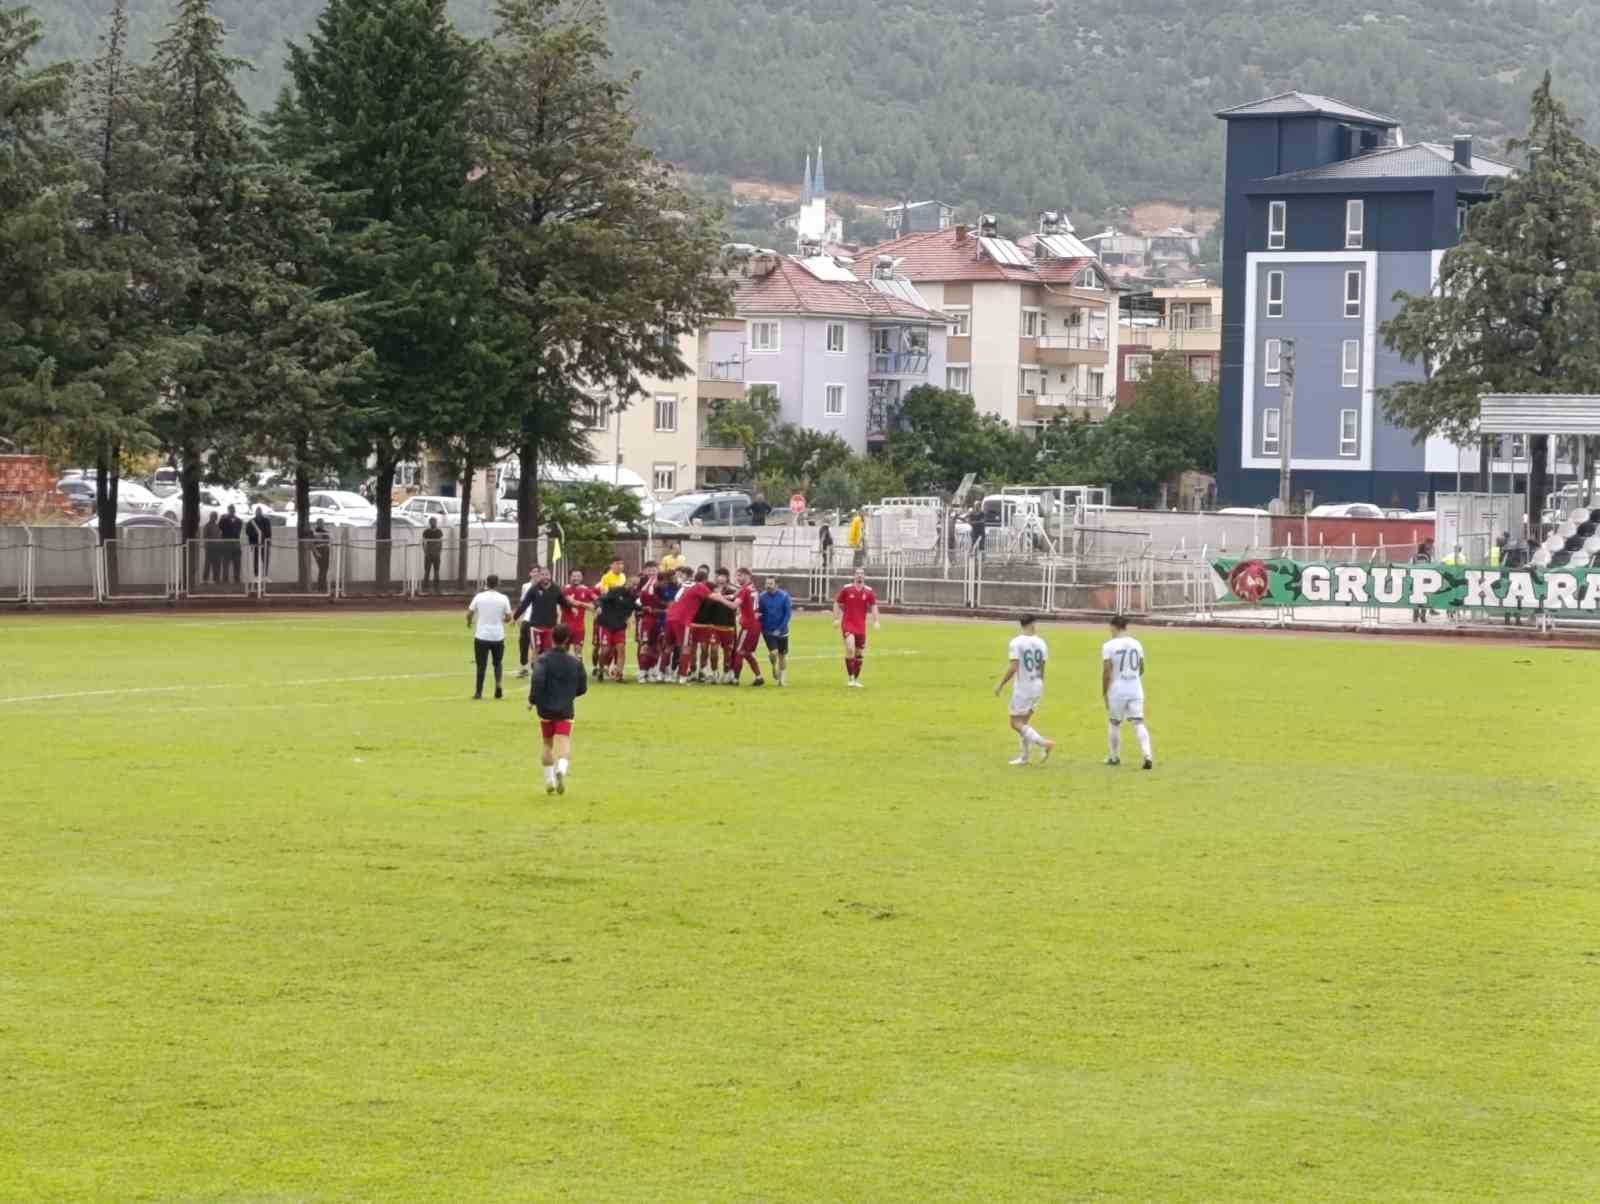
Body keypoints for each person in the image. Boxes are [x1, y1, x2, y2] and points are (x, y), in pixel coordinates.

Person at [530, 622, 587, 795]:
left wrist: (533, 699)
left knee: (547, 743)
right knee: (564, 741)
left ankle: (549, 780)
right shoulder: (575, 662)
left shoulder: (543, 659)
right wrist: (569, 695)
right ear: (568, 640)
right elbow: (582, 687)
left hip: (545, 708)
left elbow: (538, 680)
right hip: (565, 708)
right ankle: (561, 768)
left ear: (552, 637)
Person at [993, 615, 1054, 766]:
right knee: (1024, 723)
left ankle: (1043, 743)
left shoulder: (1016, 643)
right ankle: (1024, 757)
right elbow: (1042, 668)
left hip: (1023, 686)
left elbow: (1014, 667)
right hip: (1037, 684)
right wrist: (1040, 684)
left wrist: (1001, 684)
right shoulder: (1041, 643)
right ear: (1033, 624)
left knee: (1015, 723)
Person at [1102, 614, 1153, 770]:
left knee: (1115, 723)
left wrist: (1104, 692)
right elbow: (1142, 667)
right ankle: (1147, 755)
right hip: (1135, 688)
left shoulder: (1108, 646)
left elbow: (1106, 672)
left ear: (1113, 627)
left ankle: (1114, 757)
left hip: (1117, 689)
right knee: (1138, 723)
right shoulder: (1137, 644)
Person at [466, 573, 514, 700]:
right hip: (497, 635)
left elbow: (469, 613)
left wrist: (469, 622)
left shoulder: (479, 597)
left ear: (486, 583)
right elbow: (509, 616)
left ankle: (478, 692)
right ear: (498, 584)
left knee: (481, 664)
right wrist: (503, 619)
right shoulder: (503, 598)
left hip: (482, 635)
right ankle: (498, 685)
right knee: (497, 663)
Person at [512, 565, 565, 674]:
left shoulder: (555, 589)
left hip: (550, 625)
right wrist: (515, 617)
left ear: (550, 576)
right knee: (533, 647)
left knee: (547, 650)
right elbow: (524, 604)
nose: (545, 577)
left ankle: (544, 669)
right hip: (534, 623)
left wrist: (571, 609)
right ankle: (531, 668)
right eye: (542, 574)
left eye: (547, 574)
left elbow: (563, 602)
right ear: (538, 575)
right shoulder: (532, 588)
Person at [832, 567, 880, 688]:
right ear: (854, 576)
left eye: (861, 574)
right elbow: (837, 602)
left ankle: (856, 679)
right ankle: (850, 678)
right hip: (848, 624)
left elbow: (874, 606)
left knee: (858, 653)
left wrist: (876, 621)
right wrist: (836, 619)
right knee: (850, 649)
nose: (859, 576)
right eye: (857, 574)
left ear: (864, 576)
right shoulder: (847, 589)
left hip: (860, 626)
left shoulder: (869, 591)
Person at [593, 574, 637, 682]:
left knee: (621, 649)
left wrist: (645, 609)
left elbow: (636, 607)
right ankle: (601, 669)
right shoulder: (615, 591)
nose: (634, 586)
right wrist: (598, 606)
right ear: (627, 582)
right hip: (606, 624)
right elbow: (600, 599)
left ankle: (619, 675)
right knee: (605, 650)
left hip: (620, 626)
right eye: (633, 583)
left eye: (636, 585)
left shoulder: (632, 597)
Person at [729, 567, 766, 686]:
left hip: (748, 625)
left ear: (747, 575)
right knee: (746, 653)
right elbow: (735, 596)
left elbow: (735, 604)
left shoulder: (745, 590)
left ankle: (735, 679)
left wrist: (719, 599)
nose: (737, 578)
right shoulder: (752, 588)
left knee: (739, 652)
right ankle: (759, 677)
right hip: (755, 624)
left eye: (739, 576)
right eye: (737, 576)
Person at [759, 574, 793, 686]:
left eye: (770, 584)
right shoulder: (762, 597)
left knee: (782, 656)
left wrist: (780, 628)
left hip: (782, 631)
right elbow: (760, 612)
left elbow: (787, 614)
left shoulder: (784, 596)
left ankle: (782, 679)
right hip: (768, 631)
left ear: (776, 585)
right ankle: (773, 666)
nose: (767, 586)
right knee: (773, 653)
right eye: (766, 583)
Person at [559, 569, 596, 667]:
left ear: (582, 577)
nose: (576, 578)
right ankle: (562, 672)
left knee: (578, 653)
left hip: (579, 628)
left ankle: (577, 672)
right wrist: (572, 603)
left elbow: (595, 604)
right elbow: (565, 601)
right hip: (565, 627)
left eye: (578, 576)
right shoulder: (563, 589)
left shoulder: (586, 590)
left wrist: (580, 604)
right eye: (574, 576)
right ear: (570, 577)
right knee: (563, 651)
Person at [635, 561, 663, 682]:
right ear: (645, 570)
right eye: (649, 569)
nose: (651, 571)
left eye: (654, 569)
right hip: (645, 618)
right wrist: (641, 608)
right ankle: (642, 671)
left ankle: (652, 669)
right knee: (644, 644)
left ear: (658, 569)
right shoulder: (641, 582)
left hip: (659, 618)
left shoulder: (661, 583)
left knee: (657, 645)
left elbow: (665, 599)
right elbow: (635, 599)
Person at [1411, 537, 1435, 624]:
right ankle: (1423, 616)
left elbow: (1410, 566)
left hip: (1416, 580)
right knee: (1425, 598)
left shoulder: (1414, 556)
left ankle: (1415, 617)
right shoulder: (1428, 556)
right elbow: (1432, 567)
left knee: (1417, 599)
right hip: (1425, 580)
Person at [218, 505, 244, 583]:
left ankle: (237, 579)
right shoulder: (223, 520)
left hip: (236, 543)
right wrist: (223, 518)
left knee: (237, 563)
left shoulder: (239, 520)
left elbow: (238, 530)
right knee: (226, 562)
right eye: (230, 510)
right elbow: (220, 527)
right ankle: (225, 580)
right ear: (228, 510)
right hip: (226, 543)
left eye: (233, 510)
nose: (232, 511)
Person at [246, 505, 273, 578]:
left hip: (264, 544)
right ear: (255, 512)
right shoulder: (251, 522)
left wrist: (269, 541)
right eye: (257, 511)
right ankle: (256, 576)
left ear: (261, 512)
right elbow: (247, 532)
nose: (258, 512)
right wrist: (254, 536)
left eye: (260, 511)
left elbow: (269, 532)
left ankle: (265, 575)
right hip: (255, 544)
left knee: (265, 560)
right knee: (256, 561)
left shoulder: (266, 521)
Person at [422, 517, 444, 592]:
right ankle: (425, 586)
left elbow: (441, 543)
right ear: (429, 523)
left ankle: (436, 586)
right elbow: (424, 543)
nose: (433, 523)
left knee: (436, 571)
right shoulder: (426, 532)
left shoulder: (439, 532)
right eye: (431, 522)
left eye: (434, 522)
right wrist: (425, 552)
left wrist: (439, 551)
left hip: (436, 554)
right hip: (428, 554)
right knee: (427, 570)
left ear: (436, 522)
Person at [311, 518, 331, 592]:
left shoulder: (325, 532)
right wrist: (316, 553)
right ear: (317, 524)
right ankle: (320, 587)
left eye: (322, 523)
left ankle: (323, 586)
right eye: (320, 523)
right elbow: (312, 544)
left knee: (325, 569)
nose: (322, 524)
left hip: (326, 551)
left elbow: (328, 541)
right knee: (322, 569)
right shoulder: (314, 532)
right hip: (319, 551)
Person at [201, 512, 220, 584]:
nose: (215, 518)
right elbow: (205, 536)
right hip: (209, 548)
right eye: (213, 516)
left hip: (216, 547)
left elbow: (218, 535)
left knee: (216, 564)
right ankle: (205, 580)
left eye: (215, 516)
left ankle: (216, 579)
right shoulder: (207, 526)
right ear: (210, 517)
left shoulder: (216, 525)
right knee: (207, 564)